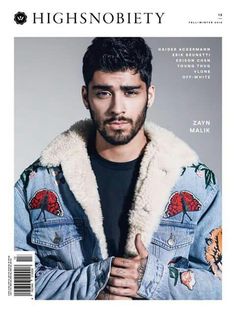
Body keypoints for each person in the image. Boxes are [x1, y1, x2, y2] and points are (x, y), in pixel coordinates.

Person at [14, 37, 222, 300]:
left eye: (130, 92)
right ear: (85, 96)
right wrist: (97, 284)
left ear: (150, 95)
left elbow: (223, 286)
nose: (117, 108)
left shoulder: (194, 182)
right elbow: (13, 284)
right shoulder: (38, 182)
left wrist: (153, 281)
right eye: (104, 92)